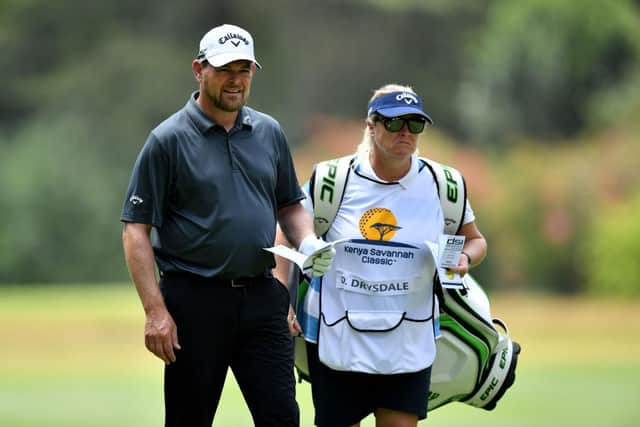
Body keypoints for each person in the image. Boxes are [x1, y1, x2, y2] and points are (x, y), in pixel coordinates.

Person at [120, 24, 334, 427]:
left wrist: (307, 242)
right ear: (199, 70)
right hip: (194, 300)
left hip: (261, 296)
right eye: (224, 69)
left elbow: (289, 202)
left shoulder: (268, 131)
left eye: (244, 69)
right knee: (189, 419)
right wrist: (155, 311)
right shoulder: (167, 140)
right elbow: (135, 229)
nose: (235, 80)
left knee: (282, 418)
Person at [274, 83, 488, 427]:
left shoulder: (444, 184)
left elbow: (475, 240)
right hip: (337, 334)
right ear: (371, 125)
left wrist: (465, 259)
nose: (405, 132)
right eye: (394, 122)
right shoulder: (332, 179)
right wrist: (280, 291)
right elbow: (288, 228)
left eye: (415, 124)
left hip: (409, 337)